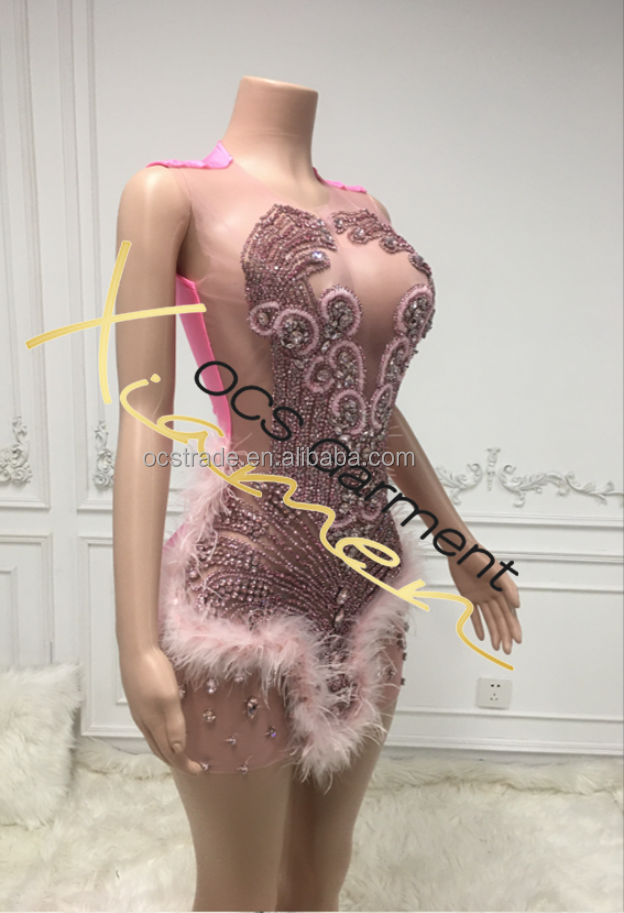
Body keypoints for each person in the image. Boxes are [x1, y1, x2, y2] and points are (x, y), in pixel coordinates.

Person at [113, 75, 522, 913]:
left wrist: (460, 545)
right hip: (240, 588)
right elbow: (143, 413)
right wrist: (134, 640)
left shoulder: (367, 208)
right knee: (238, 892)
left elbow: (373, 409)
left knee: (319, 874)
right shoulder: (168, 195)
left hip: (370, 588)